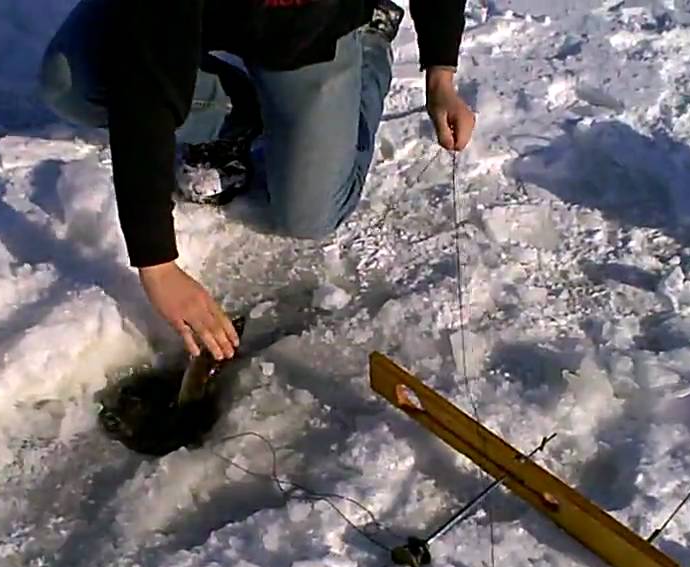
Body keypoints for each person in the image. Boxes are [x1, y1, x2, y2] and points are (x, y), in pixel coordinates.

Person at [39, 0, 474, 361]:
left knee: (311, 214)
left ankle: (369, 39)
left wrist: (441, 74)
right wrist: (157, 265)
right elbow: (143, 79)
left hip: (311, 32)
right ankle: (240, 113)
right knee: (72, 82)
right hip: (185, 13)